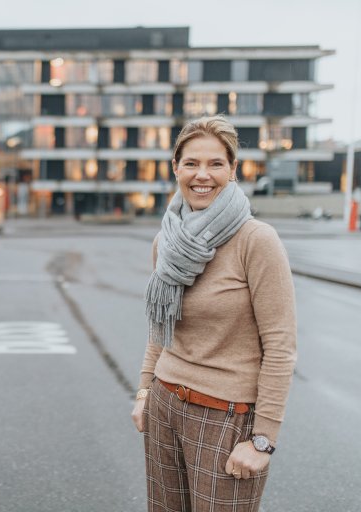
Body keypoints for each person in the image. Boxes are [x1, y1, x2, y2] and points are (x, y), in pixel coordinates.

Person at [131, 115, 296, 511]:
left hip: (226, 416)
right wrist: (144, 391)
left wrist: (263, 439)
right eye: (191, 163)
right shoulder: (167, 240)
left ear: (232, 170)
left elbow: (281, 345)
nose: (202, 175)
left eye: (215, 164)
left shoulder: (256, 240)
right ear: (176, 168)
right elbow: (161, 326)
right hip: (165, 405)